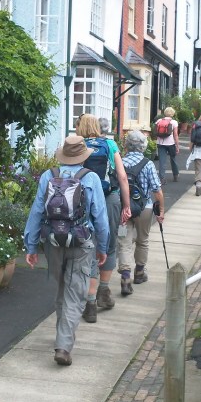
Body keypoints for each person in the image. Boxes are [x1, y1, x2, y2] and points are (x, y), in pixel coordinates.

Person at [23, 135, 109, 366]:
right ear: (83, 156)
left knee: (62, 290)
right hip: (82, 242)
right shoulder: (90, 178)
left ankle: (63, 336)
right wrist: (103, 247)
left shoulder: (48, 176)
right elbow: (100, 216)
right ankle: (63, 346)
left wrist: (31, 245)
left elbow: (37, 212)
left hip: (53, 241)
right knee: (75, 293)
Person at [75, 114, 130, 324]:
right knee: (109, 245)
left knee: (89, 245)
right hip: (109, 198)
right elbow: (122, 176)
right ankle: (104, 293)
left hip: (84, 200)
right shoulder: (109, 144)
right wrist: (126, 205)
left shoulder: (78, 145)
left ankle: (89, 304)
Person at [117, 130, 164, 295]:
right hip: (144, 208)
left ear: (127, 145)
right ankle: (139, 272)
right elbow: (157, 190)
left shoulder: (120, 162)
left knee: (124, 241)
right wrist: (161, 211)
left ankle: (125, 276)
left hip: (124, 207)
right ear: (143, 145)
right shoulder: (148, 163)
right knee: (143, 240)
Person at [154, 107, 180, 182]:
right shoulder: (174, 122)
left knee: (162, 161)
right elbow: (175, 135)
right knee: (173, 159)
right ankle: (175, 175)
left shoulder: (159, 121)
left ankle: (161, 178)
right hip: (171, 143)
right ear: (172, 113)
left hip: (160, 143)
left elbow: (156, 132)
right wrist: (177, 146)